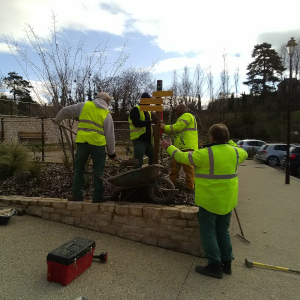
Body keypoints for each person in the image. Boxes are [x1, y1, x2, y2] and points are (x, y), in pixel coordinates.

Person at [160, 124, 248, 279]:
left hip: (209, 201)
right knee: (223, 231)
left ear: (212, 137)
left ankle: (214, 265)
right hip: (227, 201)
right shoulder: (236, 152)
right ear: (226, 138)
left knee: (208, 233)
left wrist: (169, 147)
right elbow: (244, 152)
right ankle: (227, 263)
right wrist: (230, 142)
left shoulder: (205, 154)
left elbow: (182, 157)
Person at [53, 92, 117, 203]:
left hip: (82, 144)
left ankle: (77, 195)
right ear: (106, 101)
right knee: (98, 171)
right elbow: (110, 136)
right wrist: (112, 153)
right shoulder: (106, 114)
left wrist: (57, 121)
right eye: (109, 101)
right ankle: (97, 196)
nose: (109, 103)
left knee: (79, 170)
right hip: (98, 146)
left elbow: (64, 111)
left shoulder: (84, 106)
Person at [160, 104, 198, 193]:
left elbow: (177, 127)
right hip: (181, 147)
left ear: (182, 109)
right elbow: (176, 130)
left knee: (188, 169)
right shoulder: (184, 117)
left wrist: (164, 127)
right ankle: (173, 185)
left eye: (176, 111)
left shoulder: (187, 116)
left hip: (187, 147)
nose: (175, 113)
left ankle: (190, 188)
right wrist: (164, 129)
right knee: (175, 167)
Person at [128, 92, 157, 168]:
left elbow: (148, 126)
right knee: (138, 161)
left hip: (148, 141)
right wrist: (150, 121)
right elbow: (136, 123)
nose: (149, 104)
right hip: (139, 139)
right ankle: (136, 177)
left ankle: (150, 174)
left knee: (153, 157)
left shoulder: (147, 112)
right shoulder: (135, 109)